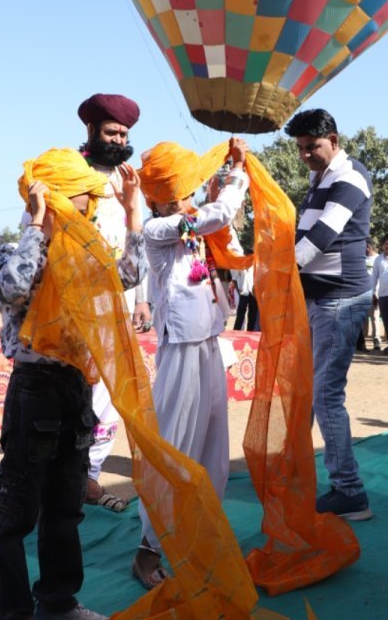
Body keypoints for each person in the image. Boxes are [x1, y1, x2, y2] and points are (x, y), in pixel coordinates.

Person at [0, 147, 140, 620]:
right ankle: (13, 613)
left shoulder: (86, 259)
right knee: (16, 516)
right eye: (82, 198)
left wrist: (134, 216)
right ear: (50, 199)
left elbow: (128, 277)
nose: (90, 207)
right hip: (34, 390)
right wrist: (37, 227)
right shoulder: (11, 254)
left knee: (64, 507)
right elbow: (14, 289)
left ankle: (58, 602)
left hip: (74, 389)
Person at [131, 137, 250, 589]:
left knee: (213, 450)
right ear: (162, 197)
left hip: (209, 345)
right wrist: (236, 172)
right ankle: (148, 549)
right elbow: (213, 215)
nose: (191, 197)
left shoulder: (194, 227)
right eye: (183, 191)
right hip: (180, 349)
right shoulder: (158, 231)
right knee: (175, 447)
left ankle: (202, 532)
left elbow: (222, 229)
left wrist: (226, 183)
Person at [284, 108, 373, 521]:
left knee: (325, 395)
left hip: (339, 299)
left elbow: (320, 238)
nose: (305, 155)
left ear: (333, 139)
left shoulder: (348, 177)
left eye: (312, 147)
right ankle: (300, 471)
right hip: (319, 299)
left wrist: (278, 272)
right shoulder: (320, 177)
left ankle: (349, 490)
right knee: (309, 389)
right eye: (301, 149)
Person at [77, 92, 148, 512]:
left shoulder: (128, 181)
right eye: (111, 132)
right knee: (72, 393)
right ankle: (61, 481)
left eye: (124, 133)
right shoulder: (67, 175)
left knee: (107, 397)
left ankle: (89, 477)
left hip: (119, 305)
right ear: (91, 131)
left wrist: (141, 300)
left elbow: (138, 244)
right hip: (74, 306)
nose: (119, 140)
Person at [371, 235, 388, 354]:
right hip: (383, 296)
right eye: (387, 244)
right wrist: (373, 293)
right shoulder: (378, 259)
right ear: (382, 245)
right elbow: (374, 277)